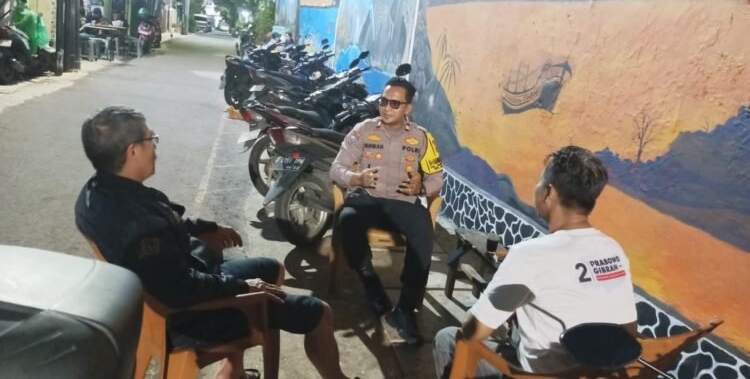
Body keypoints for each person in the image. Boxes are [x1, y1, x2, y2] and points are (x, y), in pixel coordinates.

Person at [75, 106, 356, 379]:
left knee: (272, 268)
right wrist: (245, 287)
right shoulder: (140, 228)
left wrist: (209, 228)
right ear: (133, 151)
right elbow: (181, 290)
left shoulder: (98, 193)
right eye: (151, 139)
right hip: (187, 317)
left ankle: (233, 371)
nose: (156, 147)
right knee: (319, 313)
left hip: (175, 284)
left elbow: (169, 223)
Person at [432, 146, 638, 378]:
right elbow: (629, 331)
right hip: (593, 373)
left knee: (448, 339)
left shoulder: (529, 255)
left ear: (549, 193)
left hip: (536, 375)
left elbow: (472, 332)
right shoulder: (613, 250)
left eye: (540, 181)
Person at [330, 77, 444, 346]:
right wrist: (356, 178)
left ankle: (405, 308)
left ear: (408, 108)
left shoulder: (422, 137)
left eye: (395, 103)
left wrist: (421, 187)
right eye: (383, 101)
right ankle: (370, 282)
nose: (386, 107)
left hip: (403, 201)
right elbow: (336, 168)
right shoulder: (363, 130)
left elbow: (437, 177)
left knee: (424, 231)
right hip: (368, 199)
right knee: (347, 219)